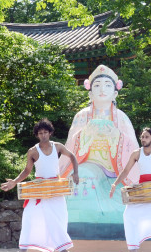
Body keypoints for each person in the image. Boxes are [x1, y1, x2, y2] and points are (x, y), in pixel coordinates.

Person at [59, 65, 139, 224]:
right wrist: (85, 134)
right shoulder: (81, 116)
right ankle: (82, 222)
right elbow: (70, 145)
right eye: (97, 85)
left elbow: (134, 147)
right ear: (90, 93)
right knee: (84, 175)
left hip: (116, 167)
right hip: (89, 163)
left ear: (115, 93)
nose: (102, 89)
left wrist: (117, 136)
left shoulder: (121, 117)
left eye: (107, 85)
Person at [1, 118, 80, 252]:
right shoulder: (33, 151)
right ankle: (23, 249)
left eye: (45, 132)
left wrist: (76, 173)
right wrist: (14, 181)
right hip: (38, 188)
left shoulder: (57, 146)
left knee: (60, 216)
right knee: (29, 215)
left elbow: (72, 156)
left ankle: (62, 249)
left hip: (55, 187)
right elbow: (27, 171)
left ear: (50, 133)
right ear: (37, 135)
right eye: (40, 133)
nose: (43, 135)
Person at [109, 127, 151, 252]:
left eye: (146, 137)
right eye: (142, 137)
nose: (143, 139)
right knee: (129, 215)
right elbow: (126, 171)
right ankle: (132, 249)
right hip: (142, 192)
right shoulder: (136, 153)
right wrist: (115, 184)